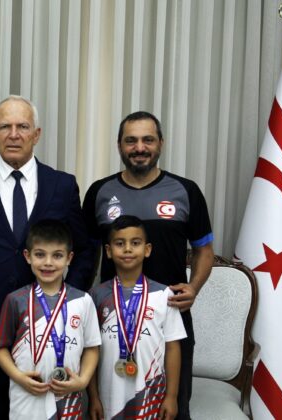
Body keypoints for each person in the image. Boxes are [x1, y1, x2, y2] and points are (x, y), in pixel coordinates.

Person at [0, 95, 94, 418]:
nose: (13, 134)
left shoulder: (62, 185)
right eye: (5, 126)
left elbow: (84, 250)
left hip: (51, 329)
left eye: (22, 126)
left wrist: (65, 300)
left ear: (37, 134)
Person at [82, 111, 214, 419]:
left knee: (173, 408)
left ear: (160, 144)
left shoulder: (186, 191)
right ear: (119, 146)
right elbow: (87, 255)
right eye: (131, 140)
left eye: (147, 140)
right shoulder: (100, 193)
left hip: (170, 317)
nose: (139, 147)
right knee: (112, 406)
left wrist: (193, 288)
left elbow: (204, 251)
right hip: (113, 322)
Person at [0, 220, 100, 419]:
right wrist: (18, 377)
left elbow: (92, 347)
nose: (48, 262)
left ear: (69, 258)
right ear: (27, 256)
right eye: (40, 254)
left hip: (68, 398)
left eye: (57, 255)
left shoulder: (83, 300)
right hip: (26, 398)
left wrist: (83, 381)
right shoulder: (16, 300)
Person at [88, 215, 186, 419]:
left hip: (150, 393)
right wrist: (93, 396)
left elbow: (173, 348)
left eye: (135, 243)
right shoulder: (96, 296)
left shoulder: (163, 295)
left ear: (147, 249)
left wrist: (171, 396)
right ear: (108, 251)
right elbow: (91, 350)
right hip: (108, 397)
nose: (127, 249)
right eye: (119, 243)